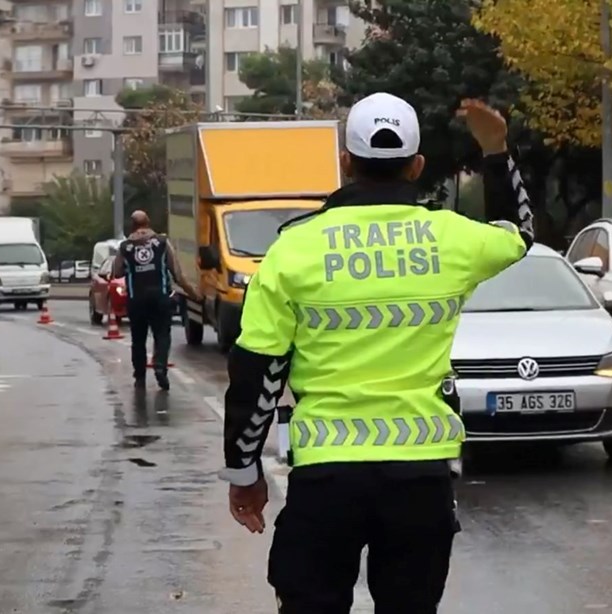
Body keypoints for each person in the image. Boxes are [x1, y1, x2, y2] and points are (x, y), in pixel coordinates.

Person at [218, 94, 534, 613]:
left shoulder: (293, 250)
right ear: (417, 166)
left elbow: (257, 371)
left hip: (325, 479)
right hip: (420, 480)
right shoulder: (450, 239)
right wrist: (495, 149)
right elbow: (516, 234)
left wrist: (244, 472)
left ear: (345, 160)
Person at [113, 210, 199, 390]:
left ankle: (140, 376)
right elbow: (177, 273)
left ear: (132, 225)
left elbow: (117, 272)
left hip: (136, 300)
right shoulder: (161, 242)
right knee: (162, 335)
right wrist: (193, 294)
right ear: (149, 223)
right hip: (160, 298)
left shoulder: (125, 247)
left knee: (138, 339)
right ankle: (160, 366)